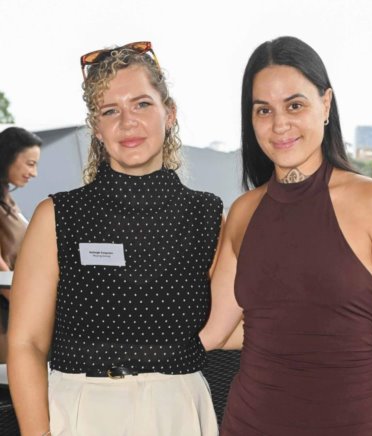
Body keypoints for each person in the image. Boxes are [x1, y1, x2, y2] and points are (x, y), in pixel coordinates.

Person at [199, 36, 372, 435]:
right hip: (249, 423)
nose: (279, 125)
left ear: (325, 104)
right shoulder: (243, 213)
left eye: (295, 105)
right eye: (263, 110)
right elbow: (214, 332)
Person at [7, 41, 222, 436]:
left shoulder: (208, 216)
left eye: (142, 104)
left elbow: (239, 324)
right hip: (79, 412)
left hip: (179, 411)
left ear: (169, 113)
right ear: (96, 128)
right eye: (110, 111)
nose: (127, 122)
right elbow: (26, 344)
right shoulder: (57, 217)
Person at [0, 126, 41, 362]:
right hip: (9, 316)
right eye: (30, 164)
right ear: (7, 157)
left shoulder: (8, 200)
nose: (34, 173)